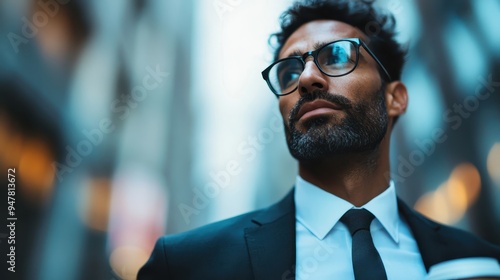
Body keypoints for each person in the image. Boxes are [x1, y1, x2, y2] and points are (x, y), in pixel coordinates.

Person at [138, 0, 500, 279]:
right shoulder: (187, 265)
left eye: (338, 55)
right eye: (289, 71)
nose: (308, 78)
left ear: (395, 98)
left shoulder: (477, 262)